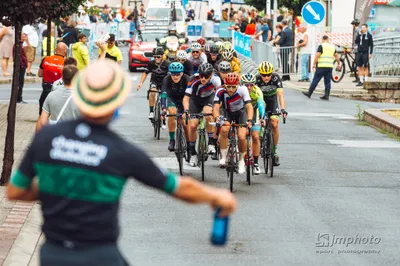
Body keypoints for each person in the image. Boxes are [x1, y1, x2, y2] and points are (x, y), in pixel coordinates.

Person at [6, 60, 237, 266]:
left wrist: (61, 186)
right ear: (115, 106)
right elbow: (175, 187)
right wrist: (215, 196)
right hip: (101, 255)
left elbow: (15, 190)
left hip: (53, 255)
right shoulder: (122, 151)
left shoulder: (46, 139)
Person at [213, 72, 253, 174]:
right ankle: (223, 155)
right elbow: (216, 107)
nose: (230, 89)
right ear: (224, 85)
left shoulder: (243, 89)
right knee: (225, 129)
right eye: (228, 87)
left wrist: (249, 119)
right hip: (227, 112)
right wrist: (217, 117)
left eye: (233, 87)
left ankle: (241, 160)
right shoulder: (220, 91)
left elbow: (248, 106)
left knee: (241, 136)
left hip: (240, 113)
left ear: (237, 85)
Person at [183, 63, 222, 166]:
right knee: (192, 125)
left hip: (208, 99)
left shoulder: (216, 79)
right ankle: (192, 152)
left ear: (211, 75)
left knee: (208, 115)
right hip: (195, 100)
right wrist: (186, 110)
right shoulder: (193, 79)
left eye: (206, 76)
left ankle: (211, 143)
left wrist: (217, 110)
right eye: (201, 76)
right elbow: (186, 97)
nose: (203, 79)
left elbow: (220, 97)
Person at [256, 61, 287, 166]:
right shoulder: (257, 79)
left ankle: (274, 151)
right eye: (264, 75)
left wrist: (283, 109)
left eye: (268, 74)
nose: (266, 77)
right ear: (260, 74)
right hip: (261, 101)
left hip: (272, 100)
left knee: (274, 124)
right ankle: (260, 137)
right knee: (260, 119)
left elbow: (280, 94)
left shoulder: (276, 78)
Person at [38, 65, 80, 131]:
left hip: (56, 134)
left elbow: (43, 121)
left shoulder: (51, 95)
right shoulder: (82, 98)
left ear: (62, 78)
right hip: (74, 135)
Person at [161, 62, 190, 151]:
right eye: (173, 74)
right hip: (171, 98)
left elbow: (190, 96)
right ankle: (172, 140)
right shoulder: (166, 79)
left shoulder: (186, 79)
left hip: (183, 98)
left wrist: (187, 110)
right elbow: (164, 95)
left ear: (182, 73)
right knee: (172, 113)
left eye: (178, 74)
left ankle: (189, 143)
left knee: (185, 123)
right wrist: (164, 109)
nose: (175, 77)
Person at [37, 42, 67, 129]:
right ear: (65, 52)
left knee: (42, 116)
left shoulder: (46, 59)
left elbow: (39, 74)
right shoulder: (66, 62)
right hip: (60, 92)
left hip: (46, 91)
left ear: (55, 50)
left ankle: (38, 137)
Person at [240, 73, 265, 174]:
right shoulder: (239, 91)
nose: (249, 87)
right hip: (242, 110)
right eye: (246, 85)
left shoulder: (257, 91)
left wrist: (262, 118)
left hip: (253, 111)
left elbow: (261, 105)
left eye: (251, 85)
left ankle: (255, 163)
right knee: (243, 132)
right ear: (242, 84)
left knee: (255, 136)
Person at [302, 35, 341, 100]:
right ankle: (327, 95)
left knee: (315, 80)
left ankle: (309, 93)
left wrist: (314, 64)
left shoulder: (321, 46)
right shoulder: (332, 47)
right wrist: (339, 64)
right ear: (328, 39)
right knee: (327, 81)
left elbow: (317, 55)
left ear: (322, 39)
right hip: (329, 67)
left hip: (321, 66)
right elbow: (336, 56)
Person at [137, 47, 170, 119]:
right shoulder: (151, 63)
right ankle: (151, 111)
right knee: (152, 92)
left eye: (158, 57)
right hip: (154, 81)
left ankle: (164, 110)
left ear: (163, 56)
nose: (156, 58)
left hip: (164, 82)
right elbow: (145, 73)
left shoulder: (167, 64)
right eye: (154, 57)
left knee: (164, 95)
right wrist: (141, 83)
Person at [13, 34, 28, 103]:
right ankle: (18, 98)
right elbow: (18, 56)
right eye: (24, 36)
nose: (25, 37)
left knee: (20, 82)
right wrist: (22, 64)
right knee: (20, 82)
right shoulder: (18, 45)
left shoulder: (21, 45)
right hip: (20, 66)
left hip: (22, 65)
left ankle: (19, 98)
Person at [351, 19, 361, 83]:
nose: (352, 26)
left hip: (358, 49)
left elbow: (358, 40)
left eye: (353, 24)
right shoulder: (356, 30)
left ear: (354, 25)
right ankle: (357, 78)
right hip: (356, 48)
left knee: (357, 64)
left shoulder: (358, 30)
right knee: (355, 63)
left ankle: (359, 78)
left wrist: (355, 47)